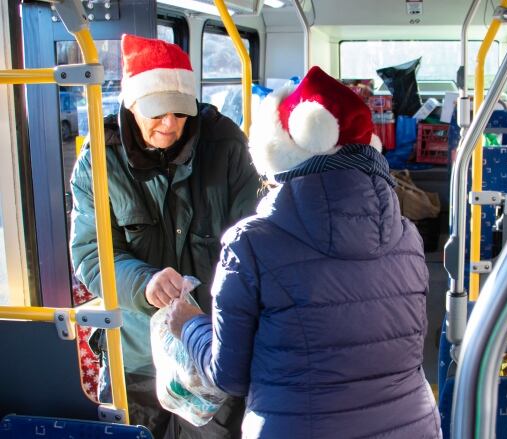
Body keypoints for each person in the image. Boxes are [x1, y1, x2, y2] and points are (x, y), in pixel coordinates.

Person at [168, 66, 442, 438]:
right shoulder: (408, 238)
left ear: (277, 155)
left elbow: (228, 375)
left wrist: (187, 324)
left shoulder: (250, 243)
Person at [69, 34, 261, 438]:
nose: (171, 124)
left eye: (180, 111)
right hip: (136, 351)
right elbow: (91, 254)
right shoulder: (100, 159)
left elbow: (253, 237)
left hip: (212, 343)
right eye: (157, 113)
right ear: (131, 104)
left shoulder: (226, 145)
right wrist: (144, 282)